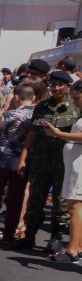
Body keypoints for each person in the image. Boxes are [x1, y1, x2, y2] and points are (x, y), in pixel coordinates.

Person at [17, 70, 77, 254]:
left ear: (67, 86)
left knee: (60, 204)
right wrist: (23, 158)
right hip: (41, 162)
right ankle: (29, 237)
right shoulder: (42, 107)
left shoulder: (75, 108)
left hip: (64, 164)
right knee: (35, 201)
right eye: (53, 85)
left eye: (60, 85)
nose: (56, 88)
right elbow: (32, 134)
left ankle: (56, 239)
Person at [40, 79, 82, 262]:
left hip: (79, 166)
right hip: (74, 164)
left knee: (74, 208)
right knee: (77, 207)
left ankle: (72, 250)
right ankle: (77, 247)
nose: (75, 102)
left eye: (78, 98)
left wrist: (58, 134)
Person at [0, 81, 39, 241]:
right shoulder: (35, 116)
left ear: (16, 97)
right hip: (23, 161)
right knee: (16, 199)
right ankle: (9, 232)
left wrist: (5, 108)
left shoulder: (9, 115)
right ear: (33, 98)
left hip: (3, 159)